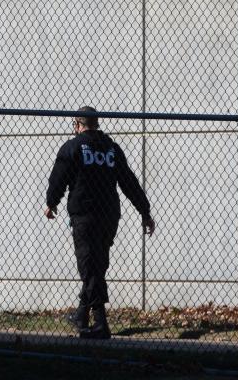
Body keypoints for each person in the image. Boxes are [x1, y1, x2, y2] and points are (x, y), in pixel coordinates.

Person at [44, 106, 155, 339]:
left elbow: (58, 178)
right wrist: (144, 211)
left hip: (84, 215)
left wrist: (51, 202)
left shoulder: (72, 147)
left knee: (90, 268)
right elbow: (129, 182)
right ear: (97, 123)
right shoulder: (111, 149)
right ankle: (82, 315)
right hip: (108, 216)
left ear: (77, 124)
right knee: (96, 266)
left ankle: (101, 324)